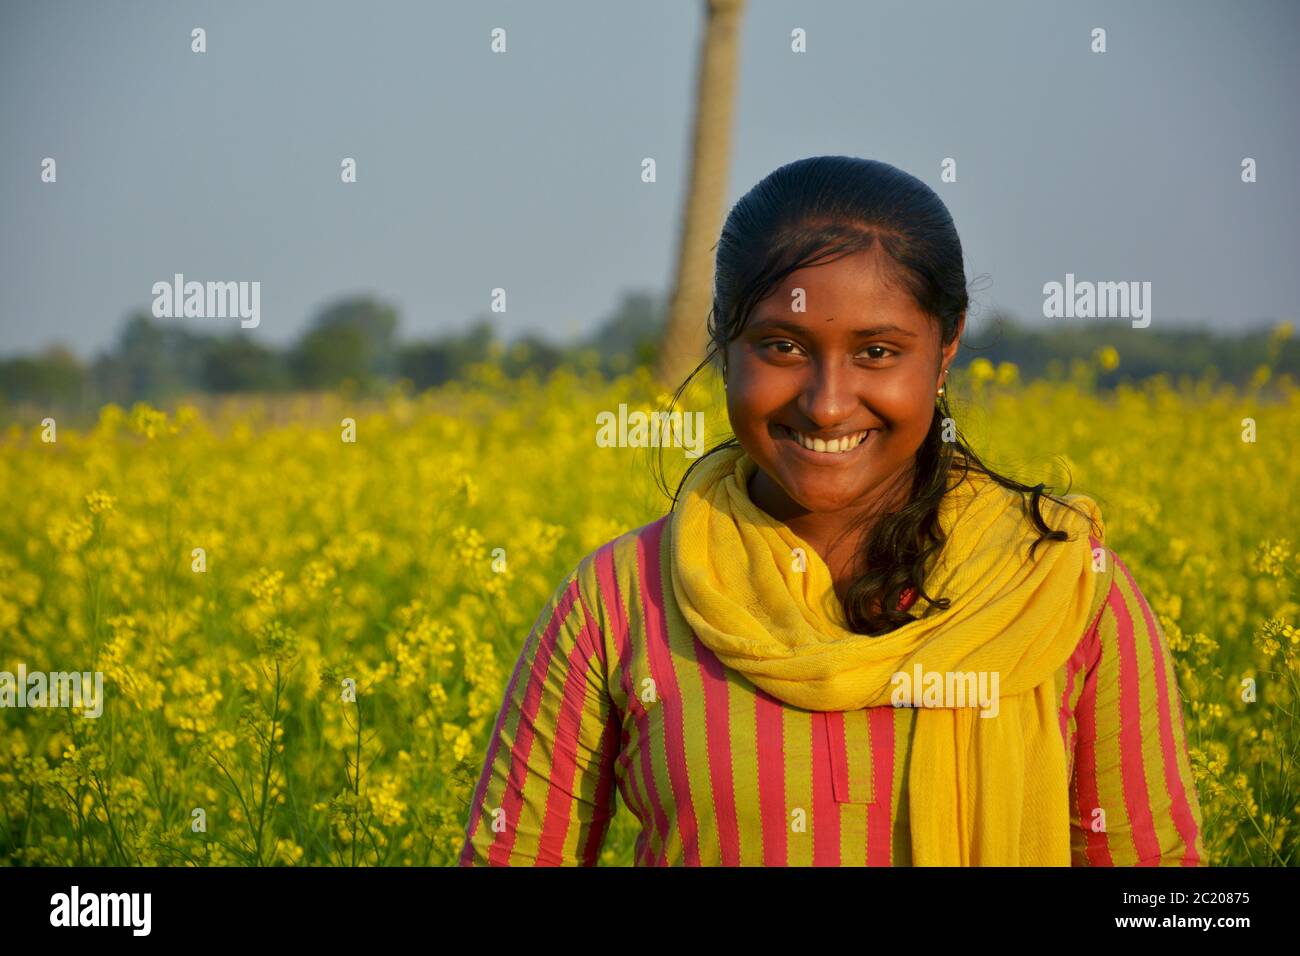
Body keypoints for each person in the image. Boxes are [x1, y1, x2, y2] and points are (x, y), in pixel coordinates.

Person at [458, 156, 1204, 866]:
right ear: (724, 341)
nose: (827, 403)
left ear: (946, 348)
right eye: (782, 346)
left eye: (878, 352)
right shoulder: (622, 601)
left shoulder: (1064, 590)